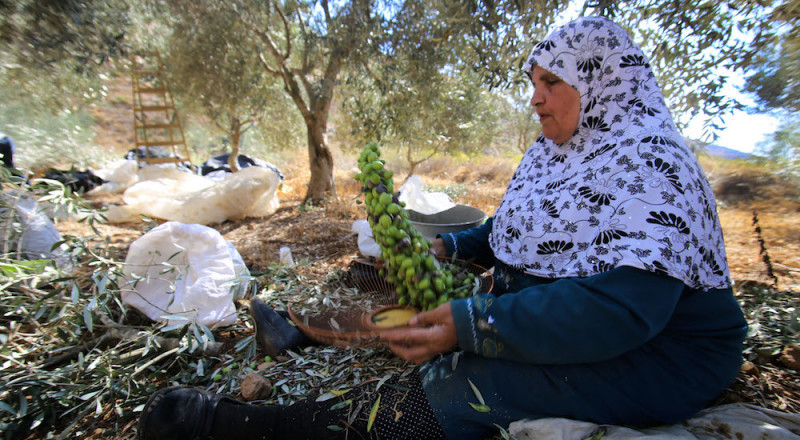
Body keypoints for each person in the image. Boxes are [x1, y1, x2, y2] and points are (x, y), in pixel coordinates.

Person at [137, 16, 747, 440]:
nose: (535, 97)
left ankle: (272, 428)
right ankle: (309, 338)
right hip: (564, 313)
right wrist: (445, 246)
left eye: (552, 82)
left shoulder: (650, 163)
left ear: (601, 83)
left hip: (661, 354)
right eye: (533, 82)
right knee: (426, 301)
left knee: (471, 373)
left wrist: (473, 324)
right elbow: (516, 232)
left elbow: (620, 312)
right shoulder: (555, 153)